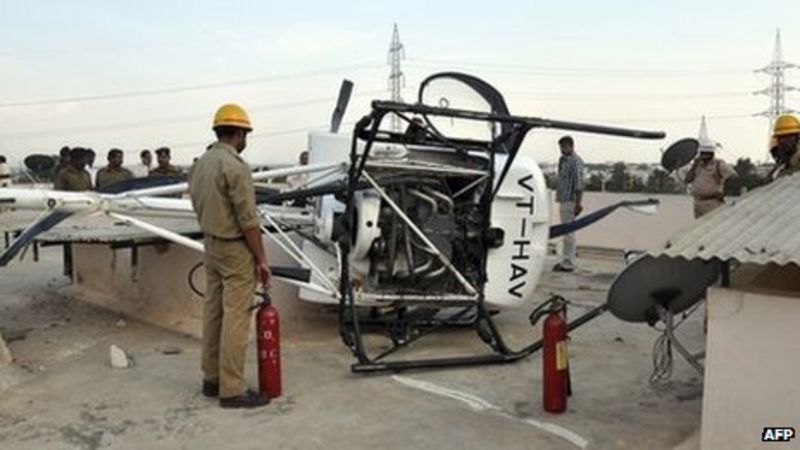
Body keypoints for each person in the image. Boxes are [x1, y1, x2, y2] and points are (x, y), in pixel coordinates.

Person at [189, 103, 271, 409]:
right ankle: (232, 389)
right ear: (239, 133)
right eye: (245, 133)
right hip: (235, 248)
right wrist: (261, 259)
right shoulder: (235, 167)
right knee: (236, 318)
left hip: (211, 244)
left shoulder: (199, 165)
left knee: (213, 313)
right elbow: (249, 221)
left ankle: (211, 379)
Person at [553, 136, 584, 273]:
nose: (561, 150)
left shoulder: (575, 162)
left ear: (570, 146)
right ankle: (566, 260)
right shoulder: (563, 161)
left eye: (563, 147)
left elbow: (579, 184)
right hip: (563, 199)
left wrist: (578, 203)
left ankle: (568, 263)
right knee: (567, 232)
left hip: (570, 200)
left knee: (568, 233)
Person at [684, 141, 737, 218]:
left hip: (712, 202)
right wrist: (694, 166)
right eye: (701, 153)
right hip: (698, 203)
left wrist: (725, 192)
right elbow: (687, 180)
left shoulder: (718, 164)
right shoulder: (698, 165)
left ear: (711, 153)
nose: (702, 156)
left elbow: (733, 176)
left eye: (705, 153)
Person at [770, 114, 800, 179]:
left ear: (798, 138)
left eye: (788, 137)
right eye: (780, 137)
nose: (782, 141)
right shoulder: (780, 168)